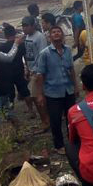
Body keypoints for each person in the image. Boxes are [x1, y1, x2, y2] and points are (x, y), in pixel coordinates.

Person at [35, 26, 79, 154]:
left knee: (71, 118)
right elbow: (40, 75)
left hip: (68, 90)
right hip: (53, 93)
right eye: (53, 32)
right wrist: (40, 94)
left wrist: (75, 86)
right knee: (55, 120)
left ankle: (73, 142)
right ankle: (59, 145)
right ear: (49, 37)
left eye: (58, 31)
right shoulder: (45, 54)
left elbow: (71, 70)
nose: (56, 34)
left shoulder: (67, 50)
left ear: (62, 35)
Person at [22, 15, 50, 132]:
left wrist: (39, 72)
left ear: (33, 26)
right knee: (39, 97)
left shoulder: (40, 37)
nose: (24, 28)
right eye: (23, 26)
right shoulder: (27, 36)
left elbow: (43, 55)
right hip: (31, 70)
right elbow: (28, 55)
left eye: (26, 26)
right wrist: (27, 69)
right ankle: (47, 119)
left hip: (38, 72)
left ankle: (45, 122)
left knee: (36, 97)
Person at [0, 24, 29, 118]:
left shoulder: (1, 47)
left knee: (10, 94)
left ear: (5, 36)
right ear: (14, 34)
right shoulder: (21, 45)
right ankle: (31, 110)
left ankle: (11, 112)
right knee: (24, 91)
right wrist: (27, 68)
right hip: (19, 71)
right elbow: (25, 57)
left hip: (7, 74)